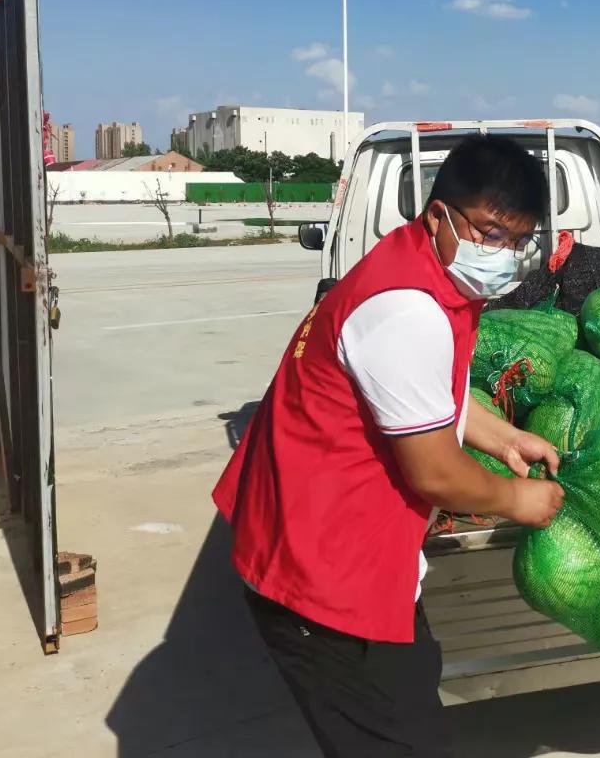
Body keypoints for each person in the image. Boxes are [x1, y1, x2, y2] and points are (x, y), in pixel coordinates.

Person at [212, 134, 566, 757]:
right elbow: (434, 472)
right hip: (322, 580)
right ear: (437, 215)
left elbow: (429, 396)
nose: (502, 253)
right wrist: (517, 499)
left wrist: (503, 434)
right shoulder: (407, 309)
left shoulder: (423, 269)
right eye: (488, 232)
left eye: (517, 241)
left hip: (332, 544)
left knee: (408, 688)